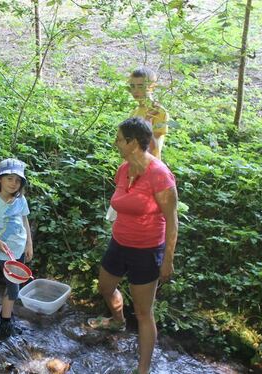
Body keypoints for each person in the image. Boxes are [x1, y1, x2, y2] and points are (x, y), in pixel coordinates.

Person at [87, 117, 179, 374]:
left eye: (119, 139)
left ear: (133, 143)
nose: (115, 143)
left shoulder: (160, 176)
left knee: (143, 312)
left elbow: (172, 222)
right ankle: (117, 321)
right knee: (105, 287)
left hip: (147, 251)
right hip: (119, 244)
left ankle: (143, 370)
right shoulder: (123, 169)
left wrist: (168, 259)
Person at [0, 158, 33, 338]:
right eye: (9, 179)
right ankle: (5, 324)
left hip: (19, 248)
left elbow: (24, 221)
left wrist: (29, 243)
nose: (14, 183)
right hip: (3, 253)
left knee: (14, 285)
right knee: (14, 288)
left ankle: (7, 315)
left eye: (18, 180)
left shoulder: (21, 200)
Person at [128, 67, 170, 159]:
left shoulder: (157, 111)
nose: (135, 90)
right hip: (132, 165)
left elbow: (154, 148)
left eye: (140, 86)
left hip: (149, 166)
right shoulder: (134, 112)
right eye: (132, 86)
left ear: (152, 86)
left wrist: (147, 120)